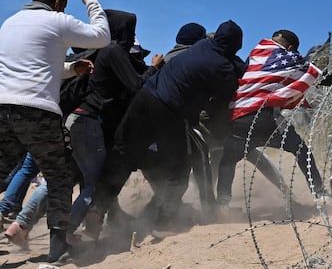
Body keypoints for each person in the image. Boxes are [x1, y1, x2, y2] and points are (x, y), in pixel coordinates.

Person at [92, 19, 246, 238]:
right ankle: (165, 223)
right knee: (179, 170)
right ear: (235, 45)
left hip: (144, 99)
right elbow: (226, 93)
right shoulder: (221, 67)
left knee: (122, 157)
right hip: (169, 112)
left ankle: (97, 209)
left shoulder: (201, 47)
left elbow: (224, 58)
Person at [0, 0, 110, 263]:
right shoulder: (56, 19)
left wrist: (72, 68)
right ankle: (56, 251)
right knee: (60, 180)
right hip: (38, 112)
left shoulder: (11, 23)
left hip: (3, 109)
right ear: (59, 2)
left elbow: (36, 66)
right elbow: (102, 35)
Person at [216, 29, 332, 210]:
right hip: (266, 120)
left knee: (227, 161)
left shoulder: (255, 55)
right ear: (291, 48)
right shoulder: (287, 58)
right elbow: (319, 77)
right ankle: (319, 194)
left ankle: (222, 204)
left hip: (239, 120)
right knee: (302, 151)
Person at [64, 9, 164, 242]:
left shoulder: (101, 51)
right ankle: (67, 231)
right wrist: (154, 67)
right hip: (89, 122)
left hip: (84, 121)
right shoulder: (114, 51)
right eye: (130, 30)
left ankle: (79, 228)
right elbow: (137, 85)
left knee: (84, 179)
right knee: (93, 183)